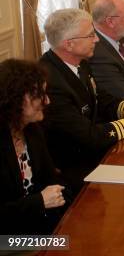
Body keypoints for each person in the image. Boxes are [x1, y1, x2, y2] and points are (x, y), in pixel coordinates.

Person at [40, 9, 124, 191]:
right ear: (68, 44)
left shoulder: (80, 62)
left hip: (96, 153)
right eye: (90, 35)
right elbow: (89, 136)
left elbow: (104, 101)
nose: (97, 39)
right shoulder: (51, 82)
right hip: (74, 170)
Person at [0, 59, 71, 234]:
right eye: (39, 95)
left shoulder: (31, 130)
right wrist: (39, 202)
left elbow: (51, 181)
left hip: (37, 227)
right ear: (16, 99)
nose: (47, 101)